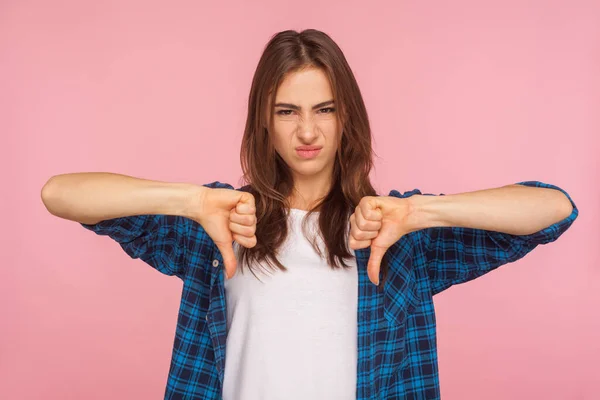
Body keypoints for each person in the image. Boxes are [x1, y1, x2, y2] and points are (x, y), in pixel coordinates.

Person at [41, 29, 578, 400]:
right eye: (287, 111)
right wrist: (191, 200)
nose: (307, 131)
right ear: (264, 123)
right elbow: (61, 194)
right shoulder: (224, 222)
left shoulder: (393, 232)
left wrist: (419, 211)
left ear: (347, 118)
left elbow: (553, 208)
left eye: (324, 109)